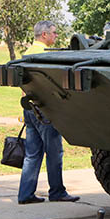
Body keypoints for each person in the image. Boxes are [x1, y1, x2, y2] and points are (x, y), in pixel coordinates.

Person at [18, 21, 79, 204]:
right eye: (54, 33)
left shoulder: (27, 53)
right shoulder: (46, 55)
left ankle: (25, 194)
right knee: (54, 152)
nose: (56, 36)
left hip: (29, 107)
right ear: (44, 35)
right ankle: (57, 191)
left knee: (32, 153)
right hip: (45, 109)